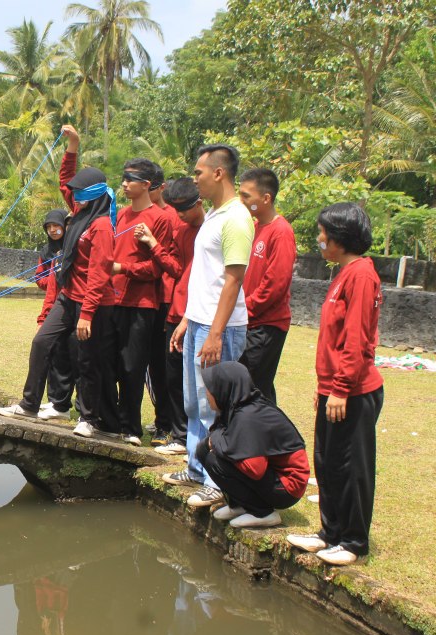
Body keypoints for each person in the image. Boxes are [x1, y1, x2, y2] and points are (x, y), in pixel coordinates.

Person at [0, 125, 115, 439]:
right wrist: (73, 146)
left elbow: (101, 274)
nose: (71, 193)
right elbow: (65, 179)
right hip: (67, 296)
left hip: (91, 304)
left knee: (87, 359)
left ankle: (89, 419)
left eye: (78, 190)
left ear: (91, 194)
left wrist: (88, 313)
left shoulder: (101, 225)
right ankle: (29, 403)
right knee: (42, 342)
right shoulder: (78, 212)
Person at [287, 203, 384, 567]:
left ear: (340, 238)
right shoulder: (343, 273)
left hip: (355, 391)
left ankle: (354, 541)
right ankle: (330, 532)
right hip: (334, 388)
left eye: (324, 232)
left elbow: (357, 338)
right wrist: (325, 386)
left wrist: (341, 387)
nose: (320, 239)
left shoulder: (361, 275)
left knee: (351, 466)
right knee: (327, 462)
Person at [162, 144, 254, 508]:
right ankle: (197, 467)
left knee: (215, 406)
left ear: (218, 173)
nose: (194, 179)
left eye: (199, 172)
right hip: (200, 321)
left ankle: (218, 480)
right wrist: (188, 319)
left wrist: (216, 333)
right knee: (194, 403)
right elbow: (206, 277)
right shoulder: (216, 215)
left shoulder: (236, 218)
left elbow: (233, 280)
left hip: (222, 328)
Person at [100, 158, 172, 445]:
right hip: (113, 299)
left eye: (130, 179)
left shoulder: (161, 218)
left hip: (142, 303)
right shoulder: (121, 215)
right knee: (109, 362)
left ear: (146, 184)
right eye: (123, 178)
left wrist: (121, 268)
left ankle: (131, 428)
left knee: (133, 366)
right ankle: (110, 420)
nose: (124, 184)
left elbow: (157, 269)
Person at [135, 178, 204, 455]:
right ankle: (179, 433)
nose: (180, 215)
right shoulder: (183, 229)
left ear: (199, 203)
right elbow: (175, 268)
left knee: (194, 379)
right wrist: (154, 244)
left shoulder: (210, 230)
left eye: (184, 209)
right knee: (173, 374)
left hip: (196, 312)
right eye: (176, 209)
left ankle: (187, 435)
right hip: (177, 309)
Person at [195, 362, 309, 528]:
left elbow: (255, 469)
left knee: (216, 459)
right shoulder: (235, 407)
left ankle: (263, 513)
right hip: (272, 477)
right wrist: (218, 442)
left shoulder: (248, 416)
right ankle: (239, 505)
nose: (206, 394)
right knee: (204, 450)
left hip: (288, 486)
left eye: (210, 389)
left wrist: (219, 442)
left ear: (224, 389)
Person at [237, 168, 296, 403]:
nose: (241, 201)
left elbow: (275, 284)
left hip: (265, 323)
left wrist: (244, 308)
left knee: (252, 387)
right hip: (249, 319)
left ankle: (263, 437)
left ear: (266, 198)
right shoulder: (254, 226)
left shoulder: (281, 231)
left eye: (246, 196)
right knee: (256, 386)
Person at [33, 209, 79, 421]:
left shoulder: (75, 249)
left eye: (57, 226)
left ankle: (79, 407)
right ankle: (57, 401)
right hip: (56, 305)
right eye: (49, 227)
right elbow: (41, 280)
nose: (53, 230)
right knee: (55, 354)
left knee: (77, 357)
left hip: (76, 306)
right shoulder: (48, 252)